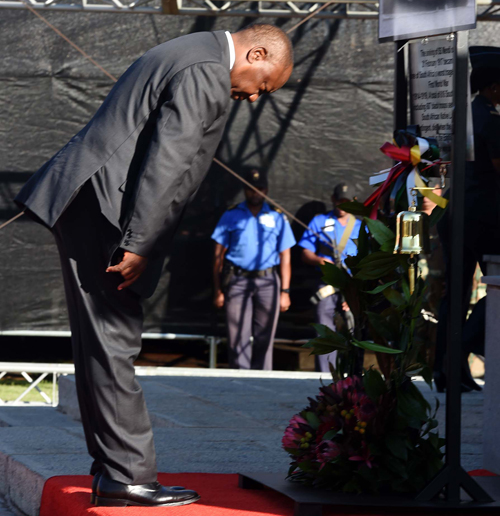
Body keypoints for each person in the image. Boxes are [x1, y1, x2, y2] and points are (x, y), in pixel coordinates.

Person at [14, 25, 293, 507]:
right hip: (107, 214)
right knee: (114, 340)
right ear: (258, 51)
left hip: (92, 204)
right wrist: (139, 242)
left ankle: (113, 471)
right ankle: (127, 476)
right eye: (263, 85)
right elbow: (171, 158)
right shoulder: (206, 70)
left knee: (100, 344)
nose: (253, 98)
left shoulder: (194, 50)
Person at [434, 46, 500, 392]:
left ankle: (448, 370)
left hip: (457, 214)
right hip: (484, 217)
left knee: (455, 296)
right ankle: (468, 344)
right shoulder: (491, 120)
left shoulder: (464, 114)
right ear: (492, 87)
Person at [212, 169, 296, 370]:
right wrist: (218, 290)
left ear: (265, 190)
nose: (255, 193)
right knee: (237, 334)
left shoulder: (277, 217)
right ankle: (240, 379)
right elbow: (217, 256)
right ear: (244, 190)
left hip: (268, 281)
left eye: (259, 189)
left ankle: (263, 378)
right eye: (250, 189)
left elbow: (286, 256)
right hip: (237, 279)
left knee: (265, 334)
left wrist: (285, 291)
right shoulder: (231, 214)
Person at [298, 183, 361, 372]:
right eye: (339, 201)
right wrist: (320, 261)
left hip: (352, 286)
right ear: (333, 200)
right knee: (324, 332)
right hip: (326, 284)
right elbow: (305, 252)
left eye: (346, 202)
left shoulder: (361, 227)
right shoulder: (319, 221)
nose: (342, 206)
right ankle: (327, 374)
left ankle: (354, 372)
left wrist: (355, 293)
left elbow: (367, 262)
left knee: (354, 330)